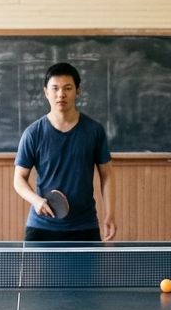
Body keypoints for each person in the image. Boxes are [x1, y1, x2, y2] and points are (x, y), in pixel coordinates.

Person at [13, 63, 115, 241]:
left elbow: (107, 175)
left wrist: (110, 214)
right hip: (41, 227)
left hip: (84, 226)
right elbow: (19, 179)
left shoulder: (94, 130)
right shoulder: (33, 133)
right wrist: (36, 201)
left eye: (68, 88)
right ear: (46, 92)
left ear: (77, 91)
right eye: (55, 88)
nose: (61, 94)